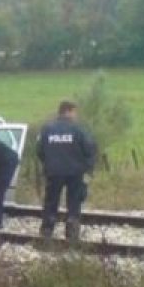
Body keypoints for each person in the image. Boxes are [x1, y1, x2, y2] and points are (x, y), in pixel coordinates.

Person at [36, 100, 97, 241]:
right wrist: (88, 170)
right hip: (75, 173)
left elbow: (39, 150)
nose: (76, 115)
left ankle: (47, 230)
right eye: (74, 112)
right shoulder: (78, 130)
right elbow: (90, 150)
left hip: (53, 171)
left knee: (51, 201)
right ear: (68, 111)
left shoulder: (47, 129)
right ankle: (72, 231)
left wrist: (49, 162)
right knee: (74, 202)